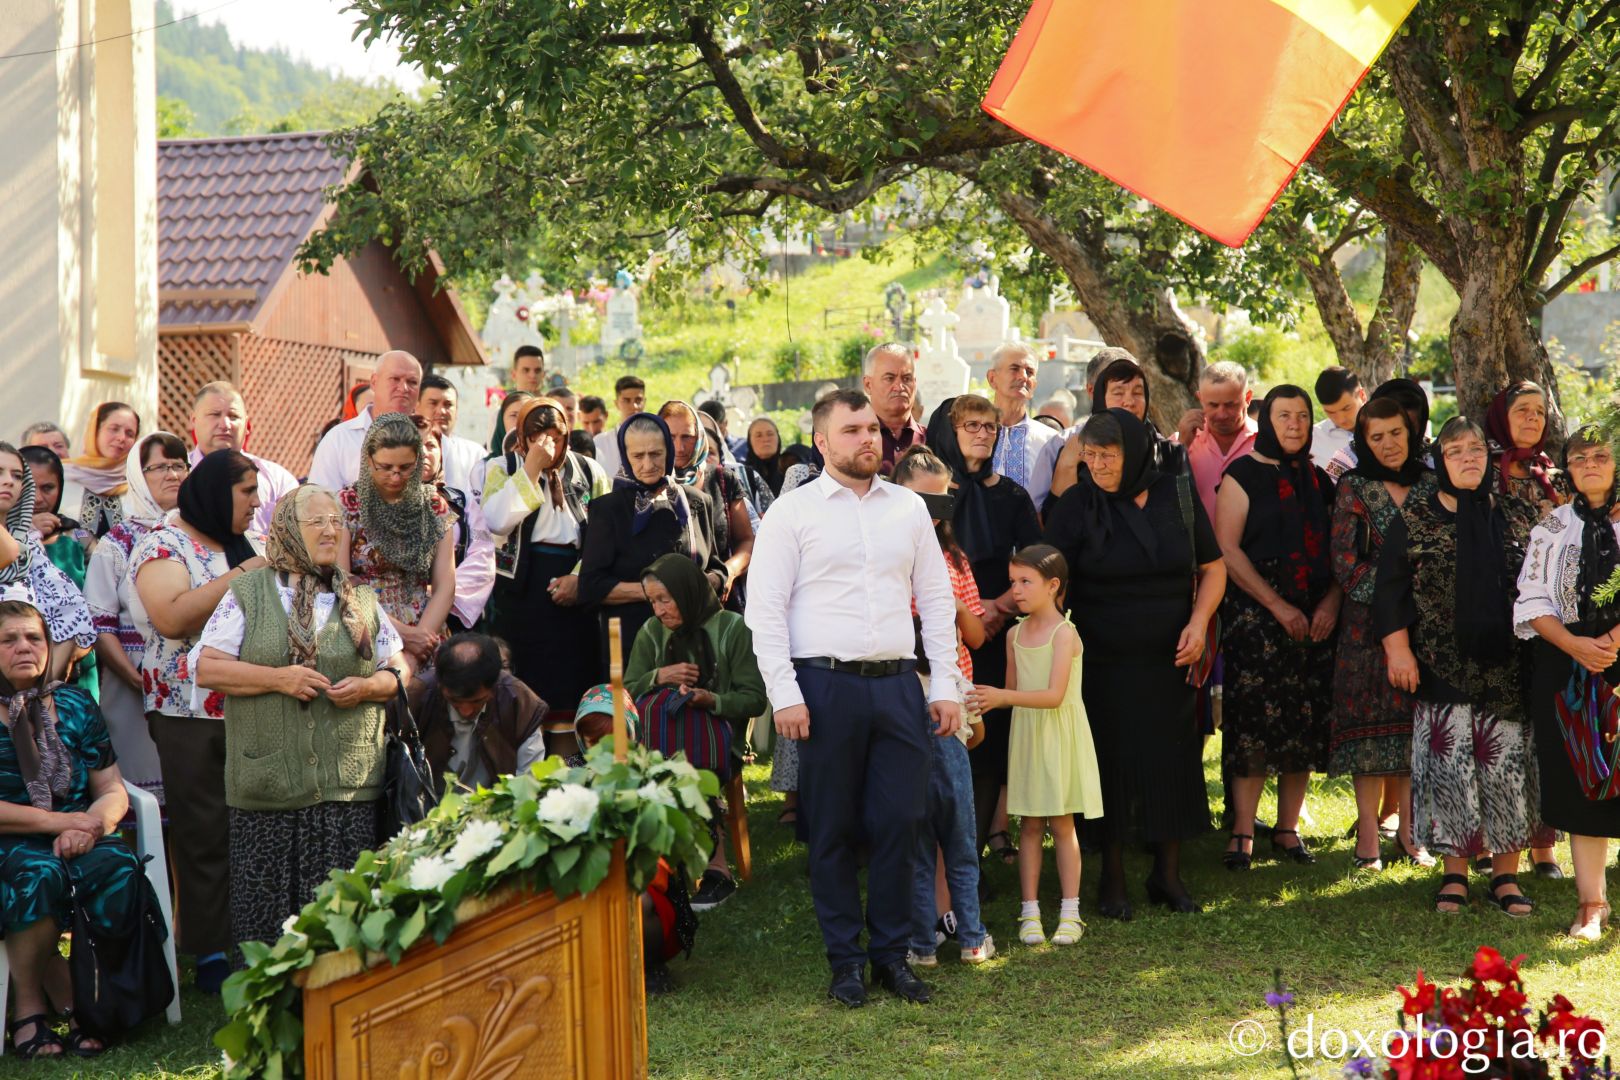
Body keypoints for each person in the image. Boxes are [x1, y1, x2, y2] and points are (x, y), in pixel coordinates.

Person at [745, 388, 961, 1008]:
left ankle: (893, 957)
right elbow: (765, 613)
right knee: (833, 828)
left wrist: (943, 683)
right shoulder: (793, 513)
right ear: (821, 441)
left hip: (898, 686)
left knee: (902, 821)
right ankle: (846, 962)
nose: (867, 439)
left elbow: (937, 601)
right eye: (851, 430)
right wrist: (785, 695)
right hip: (823, 686)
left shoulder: (909, 509)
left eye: (871, 428)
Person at [191, 486, 406, 948]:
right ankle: (270, 1014)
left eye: (336, 521)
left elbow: (401, 671)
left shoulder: (360, 598)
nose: (331, 530)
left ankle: (342, 1012)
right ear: (288, 529)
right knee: (267, 919)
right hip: (268, 784)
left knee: (343, 921)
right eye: (317, 522)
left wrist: (370, 687)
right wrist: (278, 679)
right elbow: (206, 667)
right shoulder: (248, 592)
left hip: (347, 788)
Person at [1044, 409, 1224, 916]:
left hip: (1172, 653)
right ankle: (1113, 880)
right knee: (1111, 764)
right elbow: (1050, 577)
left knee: (1171, 758)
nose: (1098, 465)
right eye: (1091, 456)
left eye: (1109, 455)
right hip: (1102, 658)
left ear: (1137, 452)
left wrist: (1198, 622)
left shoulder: (1177, 495)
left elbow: (1212, 568)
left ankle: (1167, 875)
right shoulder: (1077, 504)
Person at [1376, 416, 1541, 916]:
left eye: (1476, 450)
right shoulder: (1416, 518)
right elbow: (1390, 592)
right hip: (1440, 664)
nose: (1468, 458)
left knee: (1507, 770)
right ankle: (1455, 875)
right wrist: (1397, 650)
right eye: (1455, 451)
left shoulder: (1515, 514)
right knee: (1450, 771)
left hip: (1509, 667)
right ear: (1439, 461)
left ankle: (1507, 877)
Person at [130, 448, 266, 992]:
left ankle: (249, 937)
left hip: (248, 702)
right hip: (187, 711)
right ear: (215, 494)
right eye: (247, 493)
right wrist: (241, 576)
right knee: (204, 829)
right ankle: (209, 950)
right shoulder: (164, 544)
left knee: (249, 824)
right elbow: (170, 616)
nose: (257, 503)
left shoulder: (241, 545)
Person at [0, 600, 145, 1059]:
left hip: (77, 830)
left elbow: (112, 788)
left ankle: (96, 1003)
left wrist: (93, 826)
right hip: (11, 838)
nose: (24, 647)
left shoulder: (76, 703)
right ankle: (28, 1010)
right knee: (40, 874)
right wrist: (58, 822)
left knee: (117, 862)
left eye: (34, 638)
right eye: (8, 640)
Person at [1216, 385, 1340, 871]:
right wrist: (1277, 606)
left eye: (1302, 417)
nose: (1294, 425)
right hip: (1256, 613)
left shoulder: (1321, 481)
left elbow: (1340, 553)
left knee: (1303, 722)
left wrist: (1329, 603)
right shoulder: (1241, 475)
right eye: (1283, 416)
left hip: (1314, 615)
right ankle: (1243, 830)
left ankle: (1288, 829)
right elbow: (1228, 550)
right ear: (1266, 420)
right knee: (1251, 724)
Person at [925, 395, 1041, 864]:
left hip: (996, 632)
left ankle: (972, 856)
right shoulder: (931, 491)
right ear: (951, 431)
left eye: (990, 427)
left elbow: (1038, 558)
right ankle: (939, 857)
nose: (982, 434)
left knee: (987, 743)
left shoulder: (1010, 494)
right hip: (936, 633)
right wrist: (969, 611)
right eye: (971, 425)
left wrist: (999, 606)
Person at [1514, 425, 1620, 939]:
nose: (1592, 464)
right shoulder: (1552, 528)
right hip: (1567, 662)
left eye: (1602, 455)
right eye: (1581, 458)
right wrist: (1577, 645)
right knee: (1582, 780)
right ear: (1568, 470)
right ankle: (1591, 904)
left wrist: (1615, 639)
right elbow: (1532, 601)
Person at [891, 448, 993, 966]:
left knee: (955, 819)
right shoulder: (885, 555)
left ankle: (956, 919)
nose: (933, 512)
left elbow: (975, 633)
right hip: (905, 697)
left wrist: (944, 597)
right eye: (922, 500)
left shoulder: (955, 560)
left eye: (942, 499)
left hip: (954, 698)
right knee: (916, 820)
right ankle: (925, 927)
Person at [971, 545, 1102, 948]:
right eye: (1012, 583)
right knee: (1027, 823)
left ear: (1053, 585)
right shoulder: (1013, 634)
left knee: (1062, 822)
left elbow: (1054, 695)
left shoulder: (1066, 634)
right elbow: (1012, 690)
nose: (1017, 591)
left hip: (1058, 735)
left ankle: (1070, 911)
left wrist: (1002, 698)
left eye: (1026, 582)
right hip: (1027, 736)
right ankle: (1029, 911)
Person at [1328, 397, 1437, 870]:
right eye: (1377, 436)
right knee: (1367, 735)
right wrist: (1395, 599)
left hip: (1425, 628)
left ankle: (1411, 835)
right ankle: (1368, 839)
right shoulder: (1353, 487)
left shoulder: (1433, 485)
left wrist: (1417, 605)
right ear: (1363, 442)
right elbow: (1344, 562)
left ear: (1410, 433)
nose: (1389, 444)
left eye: (1396, 433)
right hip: (1365, 627)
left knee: (1413, 732)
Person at [624, 553, 767, 911]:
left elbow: (754, 699)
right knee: (654, 756)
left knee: (690, 757)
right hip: (658, 737)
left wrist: (711, 700)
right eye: (652, 601)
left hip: (720, 739)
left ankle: (717, 871)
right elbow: (627, 691)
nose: (658, 610)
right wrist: (660, 677)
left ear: (687, 593)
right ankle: (656, 871)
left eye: (665, 600)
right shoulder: (651, 633)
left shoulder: (733, 629)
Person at [482, 397, 610, 717]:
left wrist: (580, 578)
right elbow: (497, 521)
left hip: (574, 585)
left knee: (572, 679)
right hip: (519, 589)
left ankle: (571, 758)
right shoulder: (501, 467)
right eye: (537, 438)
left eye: (555, 436)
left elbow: (604, 533)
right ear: (522, 437)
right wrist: (532, 467)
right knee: (524, 681)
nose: (548, 445)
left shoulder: (589, 470)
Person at [569, 684, 697, 995]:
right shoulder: (569, 775)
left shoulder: (654, 774)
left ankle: (652, 968)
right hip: (588, 881)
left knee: (636, 897)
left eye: (614, 739)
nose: (604, 749)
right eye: (594, 740)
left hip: (648, 886)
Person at [83, 432, 182, 806]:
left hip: (190, 687)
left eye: (178, 465)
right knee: (139, 806)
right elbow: (101, 625)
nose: (172, 475)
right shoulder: (118, 542)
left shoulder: (199, 536)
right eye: (159, 467)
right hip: (131, 687)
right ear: (139, 475)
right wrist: (139, 680)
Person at [580, 412, 727, 657]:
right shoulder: (608, 509)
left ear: (668, 451)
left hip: (695, 643)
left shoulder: (696, 502)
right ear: (625, 456)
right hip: (634, 644)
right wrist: (657, 592)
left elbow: (716, 567)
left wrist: (705, 582)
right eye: (638, 456)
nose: (648, 464)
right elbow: (591, 586)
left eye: (656, 454)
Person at [337, 412, 456, 670]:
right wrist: (403, 635)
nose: (395, 476)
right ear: (369, 460)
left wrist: (420, 643)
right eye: (386, 467)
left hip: (427, 633)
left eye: (405, 468)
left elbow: (445, 585)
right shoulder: (346, 505)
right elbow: (340, 584)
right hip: (366, 627)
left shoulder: (433, 506)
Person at [0, 444, 96, 682]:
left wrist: (39, 690)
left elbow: (72, 612)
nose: (8, 481)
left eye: (17, 476)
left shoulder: (35, 543)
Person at [404, 633, 548, 790]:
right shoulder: (415, 699)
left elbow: (529, 782)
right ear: (440, 686)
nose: (466, 711)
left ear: (495, 687)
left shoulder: (519, 703)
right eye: (455, 701)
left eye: (477, 701)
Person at [1050, 349, 1185, 505]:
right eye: (1118, 392)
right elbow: (1058, 523)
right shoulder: (1076, 453)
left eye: (1137, 392)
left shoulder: (1169, 454)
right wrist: (1067, 464)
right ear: (1099, 396)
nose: (1129, 401)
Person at [188, 381, 300, 535]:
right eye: (215, 414)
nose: (224, 424)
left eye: (233, 416)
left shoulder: (277, 480)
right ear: (193, 420)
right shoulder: (175, 477)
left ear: (247, 425)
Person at [309, 351, 424, 491]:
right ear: (374, 382)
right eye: (395, 379)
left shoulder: (431, 441)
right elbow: (319, 503)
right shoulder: (339, 439)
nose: (404, 388)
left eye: (412, 382)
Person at [419, 425, 496, 632]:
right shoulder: (382, 504)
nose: (424, 452)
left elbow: (482, 556)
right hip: (401, 610)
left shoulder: (462, 501)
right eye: (415, 445)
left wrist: (443, 594)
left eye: (430, 445)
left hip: (453, 611)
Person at [988, 343, 1064, 514]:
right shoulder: (971, 434)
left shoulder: (1052, 440)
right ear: (992, 379)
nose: (1023, 376)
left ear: (1034, 385)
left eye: (1029, 372)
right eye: (1014, 368)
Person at [1178, 361, 1257, 520]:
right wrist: (1181, 447)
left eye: (1230, 405)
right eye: (1213, 405)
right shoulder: (1181, 442)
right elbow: (1163, 496)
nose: (1222, 414)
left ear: (1247, 398)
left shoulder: (1265, 443)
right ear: (1200, 398)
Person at [1325, 378, 1432, 481]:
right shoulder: (1346, 462)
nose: (1390, 444)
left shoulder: (1434, 461)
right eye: (1377, 437)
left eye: (1397, 431)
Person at [61, 401, 141, 538]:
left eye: (130, 433)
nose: (122, 438)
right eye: (114, 429)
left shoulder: (138, 485)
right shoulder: (63, 477)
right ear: (95, 431)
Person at [416, 374, 487, 494]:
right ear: (416, 407)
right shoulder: (402, 450)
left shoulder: (476, 455)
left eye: (448, 405)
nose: (441, 411)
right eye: (433, 403)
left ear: (457, 410)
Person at [862, 343, 926, 472]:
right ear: (868, 385)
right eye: (889, 378)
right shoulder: (853, 440)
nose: (899, 387)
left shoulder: (933, 440)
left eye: (906, 378)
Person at [487, 345, 548, 455]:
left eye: (537, 370)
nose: (532, 375)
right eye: (526, 370)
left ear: (543, 374)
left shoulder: (551, 412)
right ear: (514, 374)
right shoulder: (500, 415)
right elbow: (494, 452)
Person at [1311, 366, 1366, 470]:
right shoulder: (1313, 440)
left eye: (1346, 408)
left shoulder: (1390, 425)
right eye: (1331, 412)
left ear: (1362, 395)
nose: (1340, 419)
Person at [593, 375, 648, 478]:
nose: (634, 406)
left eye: (638, 400)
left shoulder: (656, 439)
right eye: (627, 400)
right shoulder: (600, 443)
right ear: (616, 403)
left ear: (644, 402)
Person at [745, 417, 792, 499]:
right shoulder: (742, 475)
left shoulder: (790, 470)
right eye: (758, 436)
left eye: (770, 434)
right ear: (750, 441)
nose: (765, 440)